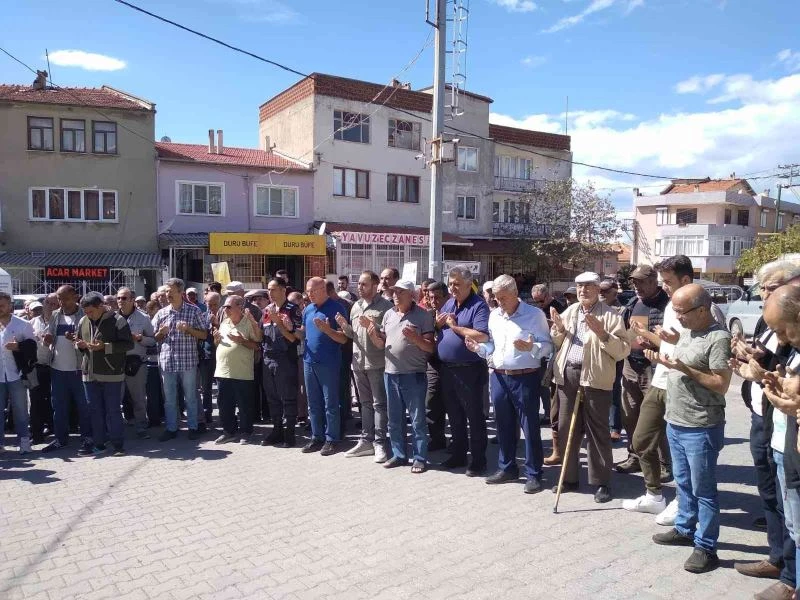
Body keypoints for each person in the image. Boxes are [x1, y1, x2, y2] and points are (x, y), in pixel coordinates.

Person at [623, 255, 727, 525]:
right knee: (641, 439)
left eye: (667, 282)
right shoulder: (674, 305)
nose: (664, 287)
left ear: (685, 280)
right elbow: (676, 345)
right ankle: (654, 495)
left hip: (687, 392)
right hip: (662, 379)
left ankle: (684, 505)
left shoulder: (705, 310)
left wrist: (678, 359)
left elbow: (706, 357)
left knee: (685, 460)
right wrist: (650, 338)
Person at [647, 284, 732, 574]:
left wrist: (685, 369)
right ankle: (685, 528)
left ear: (702, 310)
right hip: (676, 421)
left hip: (701, 426)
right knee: (683, 483)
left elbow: (721, 384)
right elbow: (681, 352)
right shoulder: (688, 331)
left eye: (682, 312)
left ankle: (706, 547)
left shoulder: (718, 338)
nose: (678, 317)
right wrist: (665, 349)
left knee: (703, 489)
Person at [729, 261, 800, 599]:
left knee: (794, 515)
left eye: (770, 288)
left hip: (788, 435)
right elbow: (776, 366)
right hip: (768, 424)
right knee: (774, 500)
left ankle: (791, 578)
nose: (763, 295)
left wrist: (790, 399)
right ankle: (779, 562)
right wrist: (755, 364)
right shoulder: (770, 320)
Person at [466, 274, 553, 494]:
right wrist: (479, 349)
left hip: (525, 376)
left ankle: (534, 473)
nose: (499, 302)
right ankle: (507, 467)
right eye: (496, 298)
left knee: (529, 427)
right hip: (499, 376)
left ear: (515, 293)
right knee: (503, 425)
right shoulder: (495, 315)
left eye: (503, 298)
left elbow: (548, 347)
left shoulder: (535, 315)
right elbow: (493, 346)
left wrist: (532, 348)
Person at [550, 272, 630, 503]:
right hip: (568, 376)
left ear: (597, 289)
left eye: (587, 286)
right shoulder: (572, 311)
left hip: (596, 378)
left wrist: (603, 334)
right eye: (578, 286)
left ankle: (601, 482)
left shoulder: (611, 315)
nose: (582, 290)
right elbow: (558, 341)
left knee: (597, 432)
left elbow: (623, 350)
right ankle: (569, 477)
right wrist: (558, 329)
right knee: (566, 428)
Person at [366, 280, 435, 472]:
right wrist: (373, 335)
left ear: (411, 294)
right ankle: (399, 455)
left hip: (413, 375)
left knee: (417, 419)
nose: (395, 295)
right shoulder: (389, 314)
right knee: (394, 419)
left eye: (400, 292)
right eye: (393, 291)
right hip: (391, 373)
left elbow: (430, 347)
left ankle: (420, 458)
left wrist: (416, 339)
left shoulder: (423, 316)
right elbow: (382, 345)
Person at [762, 285, 800, 600]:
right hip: (789, 453)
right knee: (795, 531)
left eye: (781, 329)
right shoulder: (795, 349)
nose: (780, 338)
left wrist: (791, 403)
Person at [615, 265, 670, 476]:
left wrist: (653, 344)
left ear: (653, 282)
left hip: (653, 368)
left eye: (640, 282)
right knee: (629, 415)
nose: (636, 286)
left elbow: (672, 340)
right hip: (631, 365)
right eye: (634, 282)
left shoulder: (667, 306)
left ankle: (665, 464)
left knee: (655, 418)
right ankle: (635, 457)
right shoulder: (633, 303)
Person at [437, 266, 491, 476]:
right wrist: (437, 323)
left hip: (469, 369)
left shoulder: (479, 305)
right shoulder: (450, 302)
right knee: (455, 415)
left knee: (474, 416)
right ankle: (458, 454)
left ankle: (478, 460)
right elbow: (442, 327)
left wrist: (454, 327)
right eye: (450, 284)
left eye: (457, 284)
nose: (452, 288)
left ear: (470, 284)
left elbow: (481, 335)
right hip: (448, 369)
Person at [337, 271, 394, 462]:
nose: (359, 287)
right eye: (359, 284)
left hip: (377, 363)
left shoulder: (386, 307)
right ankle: (366, 440)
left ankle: (380, 442)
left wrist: (373, 327)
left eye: (364, 284)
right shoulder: (356, 306)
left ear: (375, 285)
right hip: (358, 362)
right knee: (365, 404)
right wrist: (345, 327)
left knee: (379, 404)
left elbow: (389, 336)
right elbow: (353, 335)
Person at [76, 292, 134, 455]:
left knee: (113, 410)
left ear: (101, 306)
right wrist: (80, 345)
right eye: (86, 312)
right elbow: (79, 341)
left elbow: (128, 344)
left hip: (112, 373)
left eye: (91, 312)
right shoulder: (83, 321)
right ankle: (99, 444)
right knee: (95, 411)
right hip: (89, 374)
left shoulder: (118, 320)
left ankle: (118, 445)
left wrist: (105, 347)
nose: (88, 315)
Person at [152, 278, 207, 441]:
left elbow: (204, 335)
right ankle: (171, 428)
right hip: (167, 362)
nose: (167, 294)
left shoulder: (194, 311)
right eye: (166, 291)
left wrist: (189, 329)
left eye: (170, 291)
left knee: (190, 397)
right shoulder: (161, 313)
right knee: (169, 399)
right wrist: (161, 333)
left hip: (188, 361)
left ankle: (193, 427)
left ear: (180, 293)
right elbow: (155, 338)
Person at [42, 285, 93, 454]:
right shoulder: (55, 315)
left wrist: (77, 339)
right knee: (59, 406)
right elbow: (49, 337)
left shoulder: (84, 315)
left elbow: (91, 340)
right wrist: (47, 340)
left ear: (75, 297)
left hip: (79, 370)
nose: (61, 302)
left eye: (64, 298)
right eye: (58, 299)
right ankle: (60, 439)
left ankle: (87, 437)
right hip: (57, 369)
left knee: (84, 406)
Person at [301, 277, 348, 455]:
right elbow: (303, 334)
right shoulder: (307, 310)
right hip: (309, 361)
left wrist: (328, 330)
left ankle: (332, 439)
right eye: (308, 291)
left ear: (323, 290)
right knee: (313, 403)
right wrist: (288, 327)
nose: (310, 295)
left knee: (331, 403)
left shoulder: (337, 308)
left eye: (313, 291)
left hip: (329, 362)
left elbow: (344, 338)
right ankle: (317, 436)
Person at [213, 295, 262, 444]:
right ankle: (228, 432)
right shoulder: (224, 323)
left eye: (228, 307)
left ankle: (246, 432)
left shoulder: (248, 323)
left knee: (244, 405)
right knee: (224, 404)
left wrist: (242, 341)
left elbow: (257, 344)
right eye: (224, 307)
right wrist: (215, 339)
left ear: (240, 307)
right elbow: (218, 344)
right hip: (223, 371)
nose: (225, 309)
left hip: (242, 372)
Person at [260, 278, 302, 448]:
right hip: (268, 357)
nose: (270, 293)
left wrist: (279, 323)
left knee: (288, 398)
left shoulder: (292, 310)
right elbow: (261, 334)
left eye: (274, 289)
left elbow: (294, 338)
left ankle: (290, 434)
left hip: (285, 358)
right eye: (268, 289)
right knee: (272, 398)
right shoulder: (266, 310)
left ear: (283, 290)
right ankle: (277, 430)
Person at [116, 287, 156, 440]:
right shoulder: (112, 317)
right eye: (119, 298)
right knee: (115, 398)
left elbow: (152, 340)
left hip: (136, 363)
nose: (120, 301)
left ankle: (141, 426)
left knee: (138, 398)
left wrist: (140, 339)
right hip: (116, 363)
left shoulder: (143, 318)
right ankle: (116, 428)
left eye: (124, 298)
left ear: (132, 300)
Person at [0, 291, 35, 454]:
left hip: (16, 374)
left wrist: (19, 347)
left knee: (20, 410)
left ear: (10, 306)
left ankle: (24, 441)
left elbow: (32, 349)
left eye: (2, 305)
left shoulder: (22, 324)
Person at [327, 280, 354, 435]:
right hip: (330, 352)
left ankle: (344, 417)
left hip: (344, 350)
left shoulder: (346, 305)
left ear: (330, 292)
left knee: (342, 385)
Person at [600, 279, 625, 443]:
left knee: (614, 391)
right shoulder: (598, 309)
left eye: (604, 292)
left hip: (614, 355)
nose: (600, 294)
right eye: (599, 291)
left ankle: (615, 427)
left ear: (613, 293)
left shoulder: (621, 310)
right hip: (598, 355)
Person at [426, 281, 449, 451]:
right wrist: (435, 327)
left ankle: (458, 441)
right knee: (431, 403)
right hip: (433, 364)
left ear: (446, 297)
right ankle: (437, 438)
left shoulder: (453, 312)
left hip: (452, 366)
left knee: (454, 405)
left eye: (437, 297)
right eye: (431, 297)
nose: (434, 300)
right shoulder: (427, 315)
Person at [29, 297, 56, 444]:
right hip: (38, 367)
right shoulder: (32, 322)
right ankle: (36, 434)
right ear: (43, 305)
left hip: (56, 367)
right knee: (36, 401)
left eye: (54, 304)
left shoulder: (60, 320)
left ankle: (55, 430)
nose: (51, 307)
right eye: (48, 303)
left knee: (55, 401)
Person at [199, 292, 221, 426]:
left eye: (215, 304)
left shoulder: (226, 315)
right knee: (206, 388)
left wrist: (217, 324)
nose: (212, 307)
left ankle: (224, 414)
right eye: (209, 304)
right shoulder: (201, 316)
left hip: (221, 357)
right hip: (206, 356)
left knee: (221, 388)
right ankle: (207, 414)